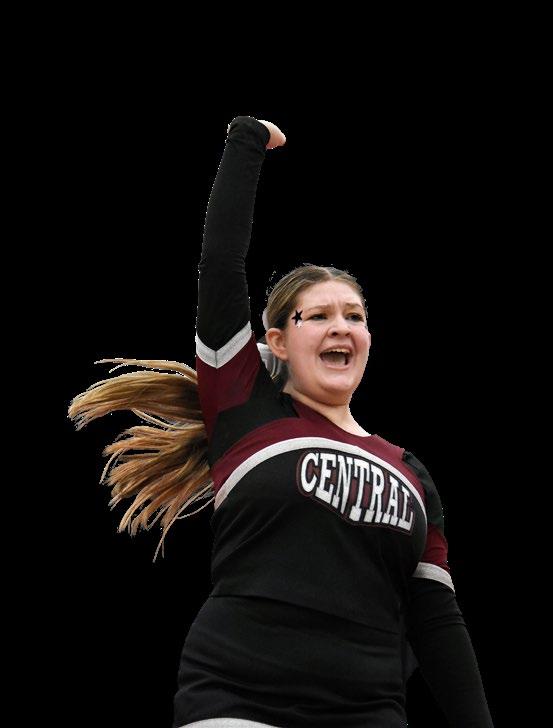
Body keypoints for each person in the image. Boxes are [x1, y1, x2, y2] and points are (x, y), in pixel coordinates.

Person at [68, 116, 494, 727]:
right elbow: (220, 266)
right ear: (277, 340)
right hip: (239, 698)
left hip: (368, 711)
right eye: (317, 316)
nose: (341, 327)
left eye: (354, 316)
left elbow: (437, 620)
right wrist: (246, 142)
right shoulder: (244, 408)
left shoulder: (411, 474)